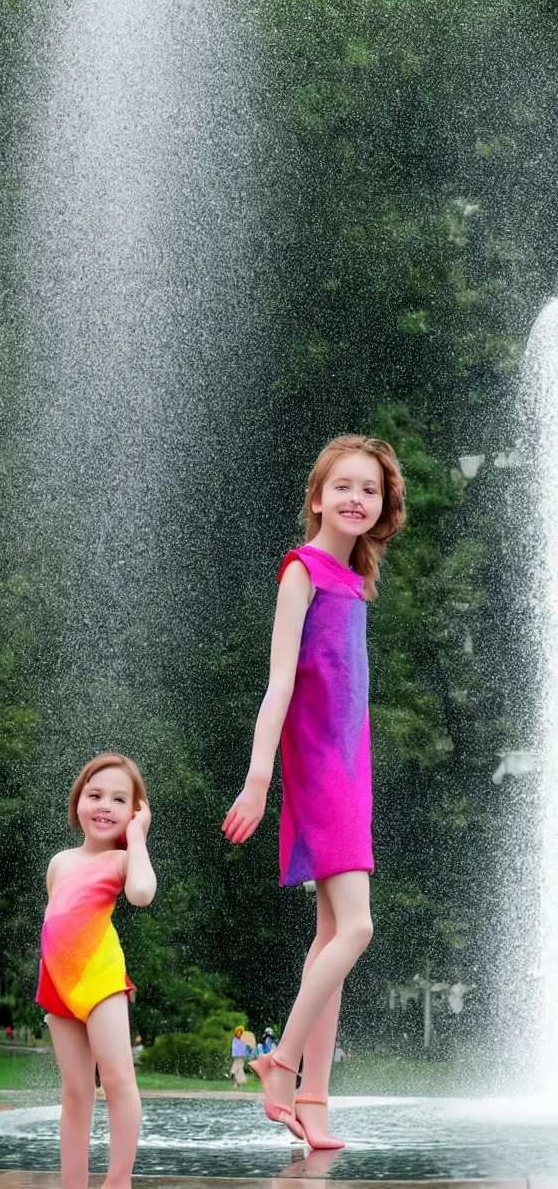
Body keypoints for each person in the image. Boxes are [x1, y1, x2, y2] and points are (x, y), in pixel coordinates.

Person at [223, 435, 405, 1149]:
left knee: (332, 933)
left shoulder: (356, 580)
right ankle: (281, 1061)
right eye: (344, 486)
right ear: (317, 495)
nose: (357, 498)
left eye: (370, 490)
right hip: (318, 764)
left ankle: (316, 1106)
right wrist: (259, 779)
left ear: (381, 505)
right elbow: (279, 683)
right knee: (357, 928)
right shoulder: (301, 572)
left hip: (350, 766)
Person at [36, 753, 156, 1189]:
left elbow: (142, 894)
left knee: (119, 1079)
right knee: (75, 1091)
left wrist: (137, 837)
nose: (105, 805)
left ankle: (118, 1182)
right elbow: (56, 920)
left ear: (134, 812)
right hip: (57, 985)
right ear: (78, 802)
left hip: (101, 980)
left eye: (120, 800)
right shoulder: (60, 862)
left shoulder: (123, 862)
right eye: (96, 795)